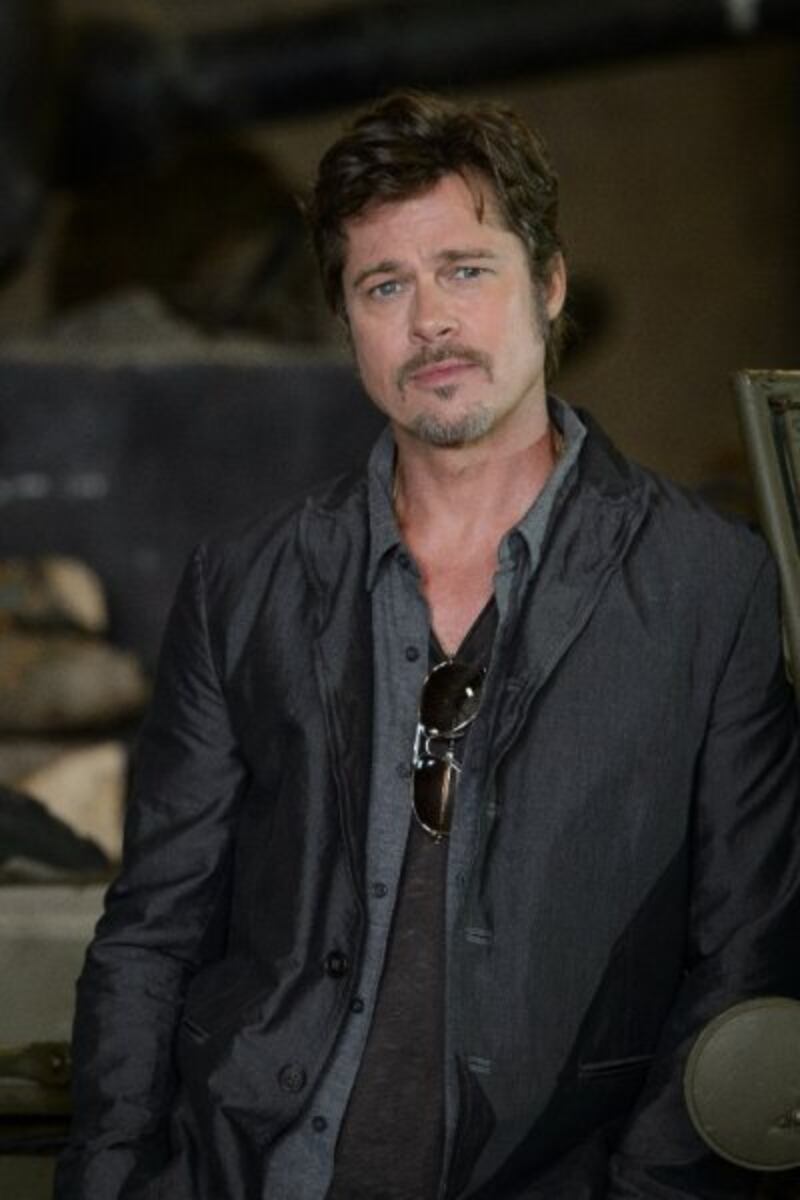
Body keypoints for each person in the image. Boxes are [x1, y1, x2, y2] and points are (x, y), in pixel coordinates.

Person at [56, 91, 800, 1200]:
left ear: (548, 285)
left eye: (465, 269)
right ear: (347, 321)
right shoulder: (244, 584)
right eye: (384, 286)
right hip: (249, 1170)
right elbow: (150, 936)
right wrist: (110, 1179)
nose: (429, 322)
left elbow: (747, 955)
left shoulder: (710, 585)